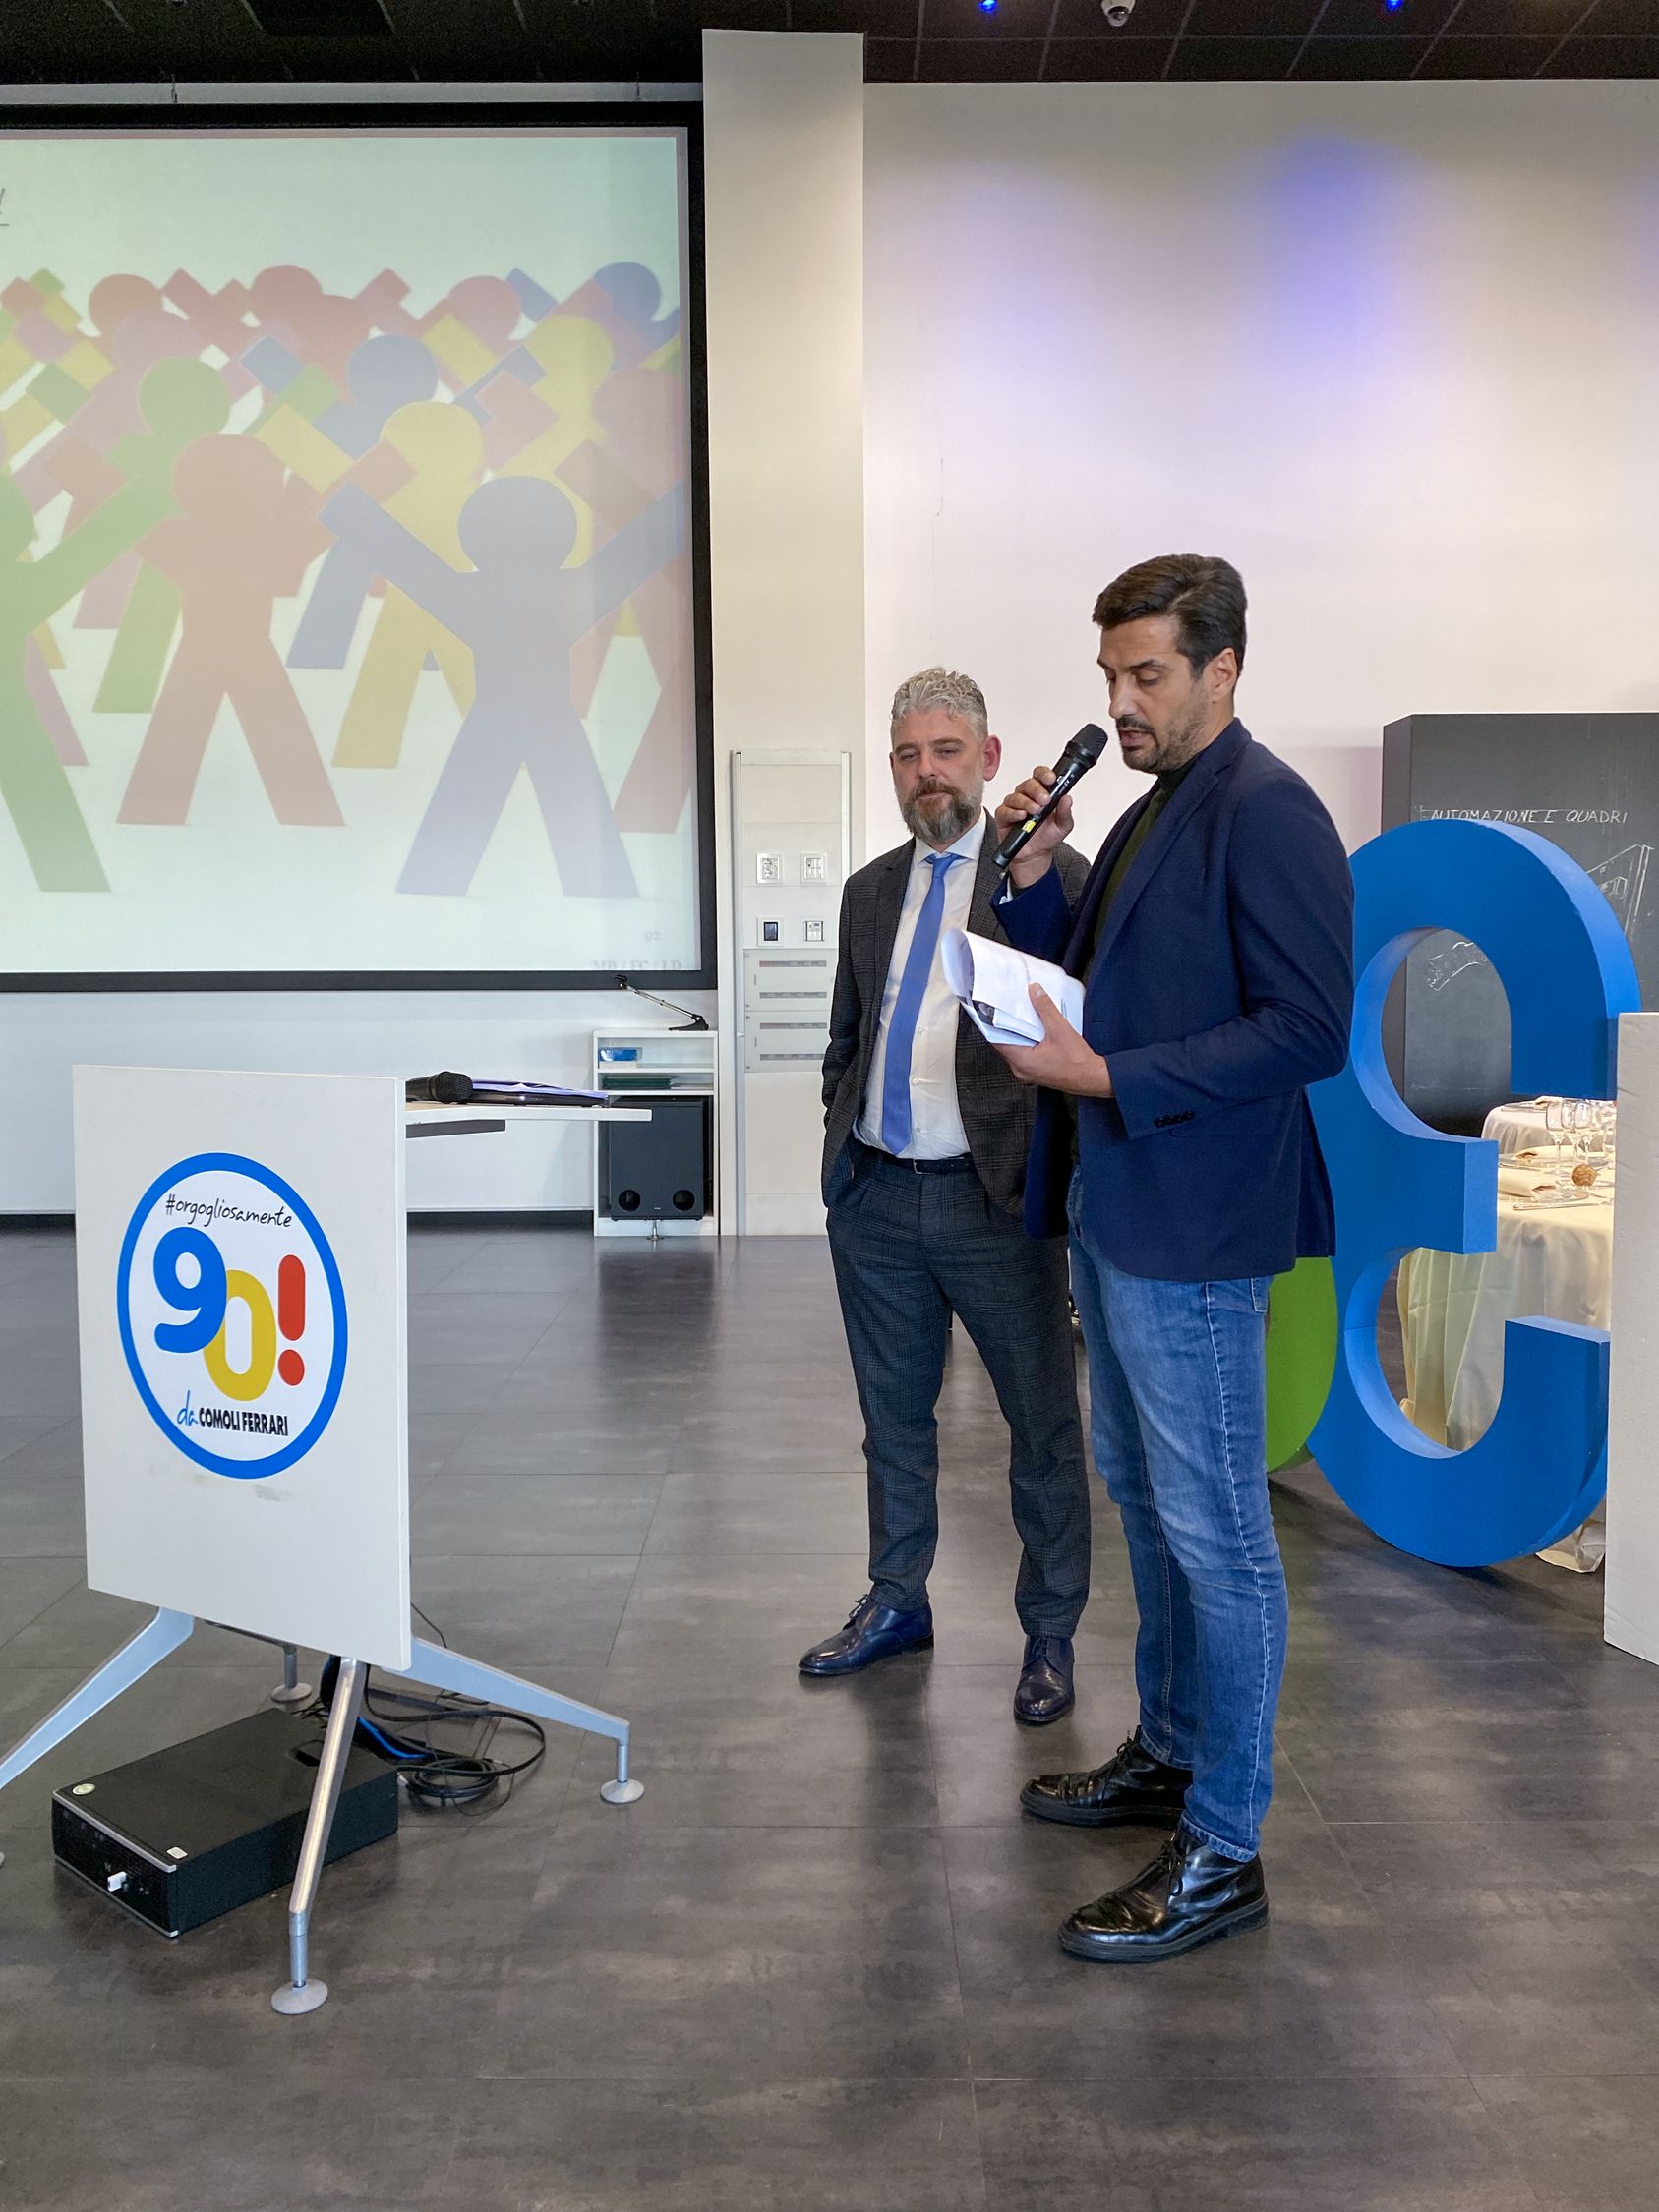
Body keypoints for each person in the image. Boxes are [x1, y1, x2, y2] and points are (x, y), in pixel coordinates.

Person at [991, 557, 1353, 1961]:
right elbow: (1097, 989)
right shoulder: (1153, 808)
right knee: (1147, 1503)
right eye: (1109, 677)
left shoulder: (1268, 810)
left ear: (1222, 669)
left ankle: (1224, 1846)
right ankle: (1171, 1747)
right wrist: (1033, 881)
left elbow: (1307, 1028)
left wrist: (1108, 1077)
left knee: (1219, 1537)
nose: (1120, 702)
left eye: (1145, 675)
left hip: (1195, 1229)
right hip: (1120, 1208)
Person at [802, 668, 1094, 1723]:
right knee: (892, 1422)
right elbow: (849, 1034)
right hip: (877, 1199)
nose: (926, 772)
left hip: (995, 1204)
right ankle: (896, 1600)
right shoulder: (868, 890)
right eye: (907, 754)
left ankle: (1050, 1630)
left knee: (1040, 1431)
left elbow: (1075, 1017)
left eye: (945, 751)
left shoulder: (1046, 880)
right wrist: (842, 1137)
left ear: (988, 757)